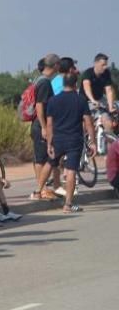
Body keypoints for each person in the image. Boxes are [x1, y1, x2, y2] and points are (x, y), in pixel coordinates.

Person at [46, 71, 96, 213]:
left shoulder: (53, 100)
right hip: (74, 140)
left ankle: (39, 189)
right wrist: (92, 142)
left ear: (63, 84)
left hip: (58, 139)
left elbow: (49, 124)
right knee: (72, 170)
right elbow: (88, 122)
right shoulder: (80, 100)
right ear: (75, 84)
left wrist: (49, 142)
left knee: (50, 163)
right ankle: (68, 204)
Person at [31, 55, 63, 201]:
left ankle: (43, 189)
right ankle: (41, 190)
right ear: (56, 65)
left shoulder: (41, 80)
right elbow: (39, 106)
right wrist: (44, 127)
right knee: (41, 159)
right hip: (40, 125)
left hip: (40, 124)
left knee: (43, 157)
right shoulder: (44, 83)